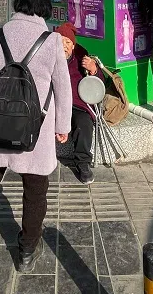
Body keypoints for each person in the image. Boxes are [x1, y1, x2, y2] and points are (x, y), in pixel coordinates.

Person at [0, 0, 71, 272]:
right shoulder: (51, 41)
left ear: (18, 4)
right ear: (45, 7)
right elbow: (63, 88)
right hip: (36, 128)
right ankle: (27, 250)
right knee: (36, 188)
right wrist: (62, 125)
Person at [53, 22, 98, 184]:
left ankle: (83, 163)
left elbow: (97, 84)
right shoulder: (48, 58)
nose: (64, 46)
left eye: (68, 42)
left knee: (83, 123)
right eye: (60, 41)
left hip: (76, 104)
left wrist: (93, 70)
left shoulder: (81, 59)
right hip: (53, 104)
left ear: (73, 46)